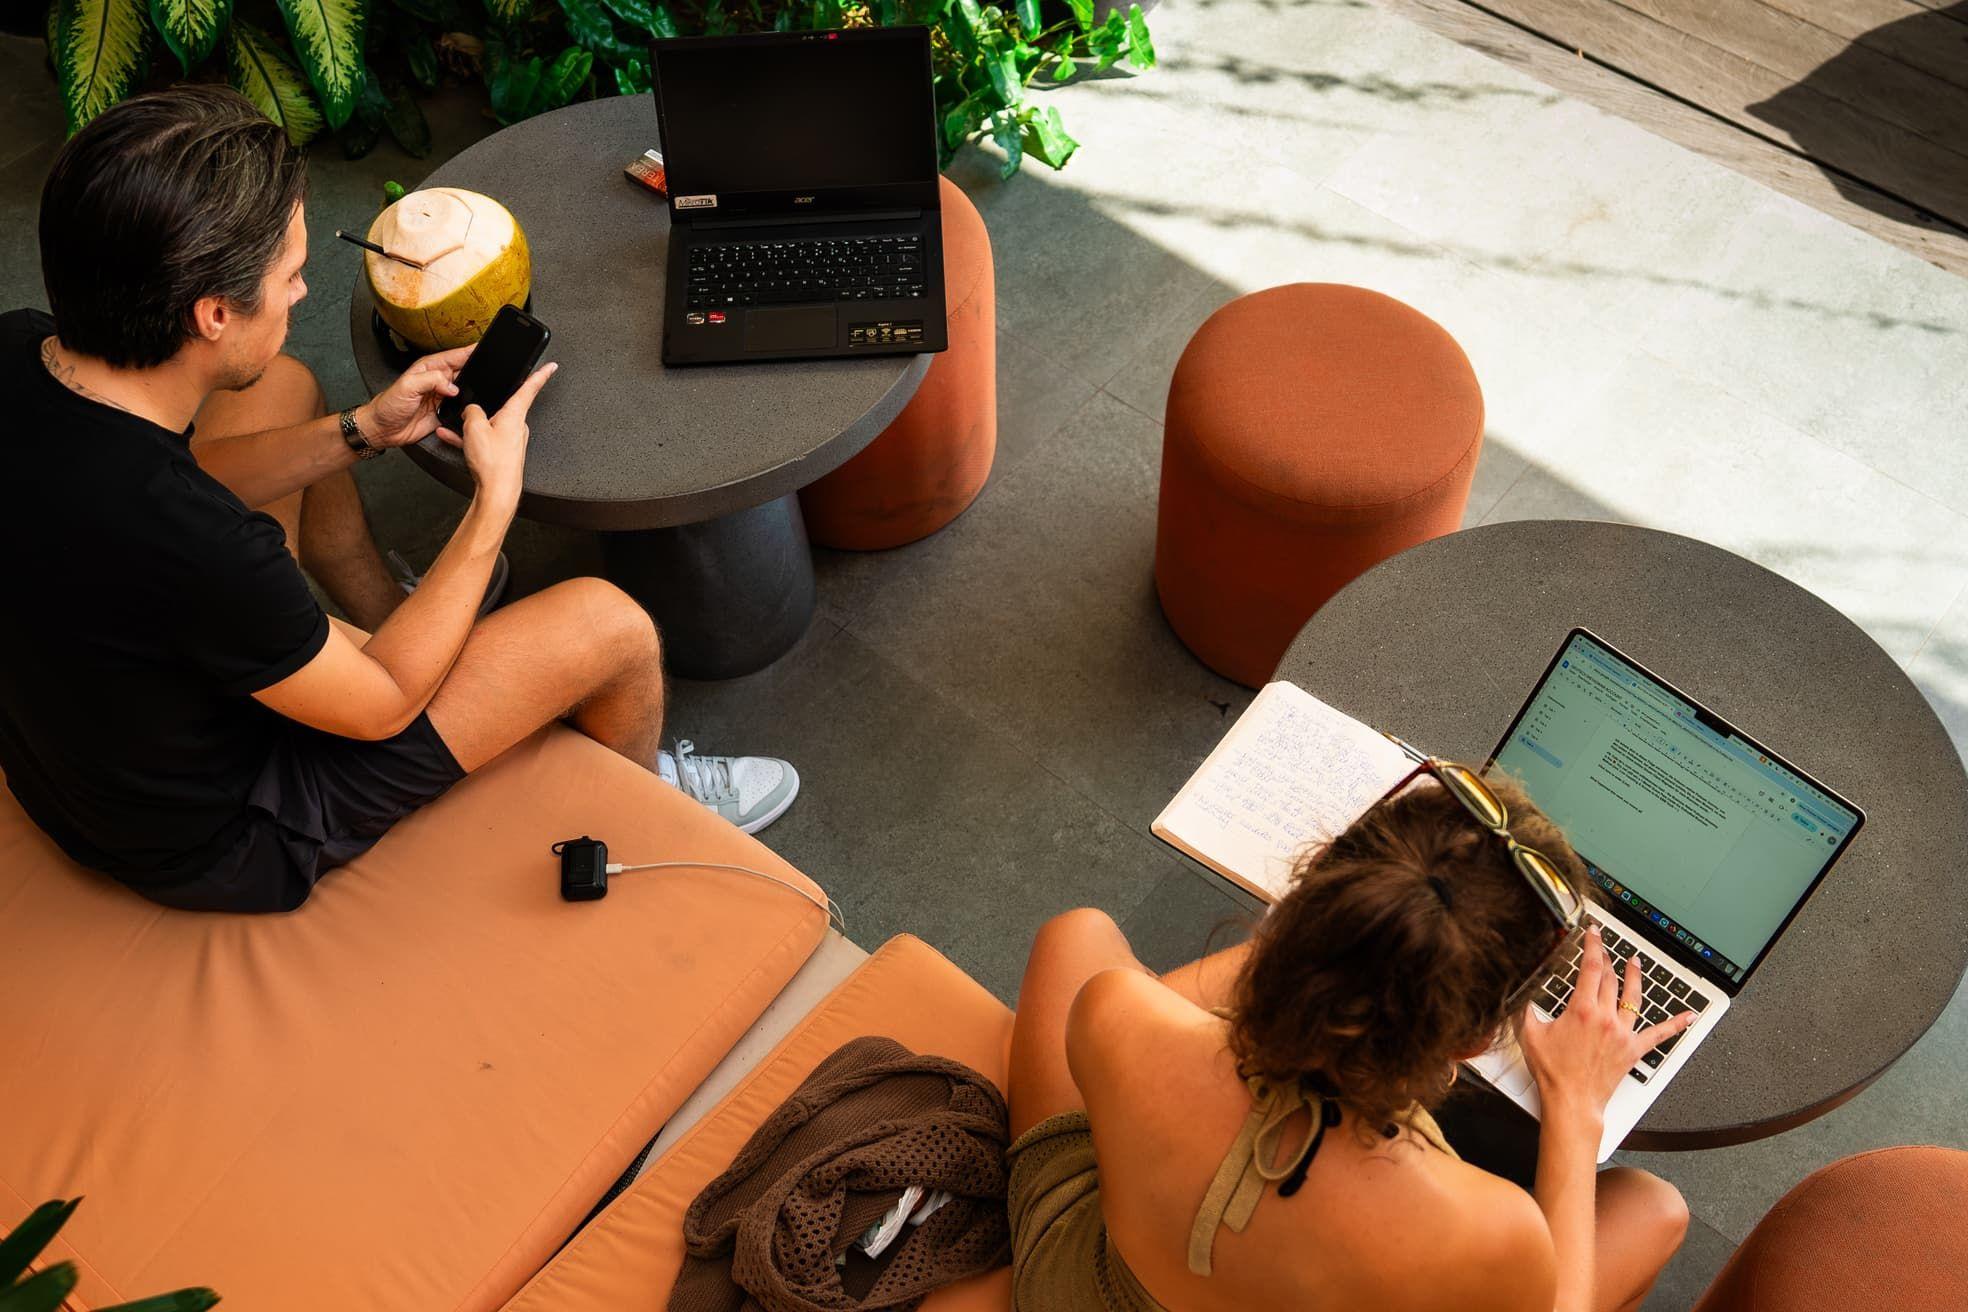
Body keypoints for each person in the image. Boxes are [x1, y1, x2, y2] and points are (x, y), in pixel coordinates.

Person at [0, 86, 797, 915]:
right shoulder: (199, 545)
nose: (305, 293)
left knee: (281, 385)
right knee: (611, 625)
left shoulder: (19, 344)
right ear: (211, 313)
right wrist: (494, 501)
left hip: (82, 746)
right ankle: (650, 813)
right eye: (292, 276)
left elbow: (167, 493)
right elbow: (380, 705)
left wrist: (361, 430)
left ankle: (392, 614)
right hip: (221, 835)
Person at [1004, 766, 1698, 1312]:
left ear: (1307, 899)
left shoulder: (1114, 1011)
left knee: (1079, 936)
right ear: (1475, 1039)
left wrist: (1346, 936)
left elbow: (1178, 1025)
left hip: (1077, 1288)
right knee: (1653, 1207)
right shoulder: (1490, 1228)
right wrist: (1575, 1107)